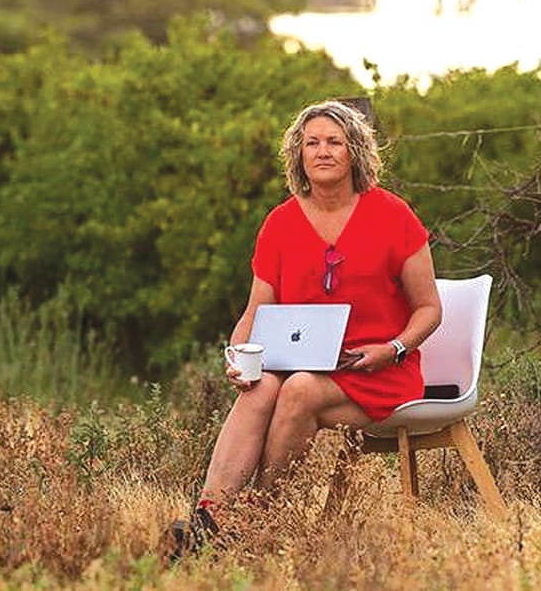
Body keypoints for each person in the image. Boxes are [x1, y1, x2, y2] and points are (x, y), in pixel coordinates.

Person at [167, 99, 442, 559]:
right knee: (259, 389)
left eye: (334, 141)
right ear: (298, 154)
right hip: (302, 360)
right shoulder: (280, 222)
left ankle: (257, 522)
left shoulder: (394, 215)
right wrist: (238, 356)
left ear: (354, 150)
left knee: (297, 391)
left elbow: (429, 309)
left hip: (378, 368)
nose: (323, 151)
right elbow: (255, 311)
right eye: (312, 142)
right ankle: (208, 520)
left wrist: (392, 348)